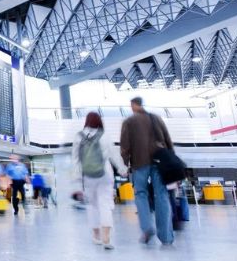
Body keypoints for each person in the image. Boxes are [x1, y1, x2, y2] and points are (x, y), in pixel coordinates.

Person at [121, 97, 174, 245]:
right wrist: (171, 160)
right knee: (162, 195)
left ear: (133, 105)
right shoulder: (156, 118)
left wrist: (125, 164)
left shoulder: (129, 122)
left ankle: (147, 227)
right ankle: (166, 237)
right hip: (159, 162)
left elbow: (125, 146)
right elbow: (168, 140)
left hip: (139, 163)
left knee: (140, 194)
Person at [73, 112, 127, 249]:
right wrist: (122, 169)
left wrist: (78, 179)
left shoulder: (78, 137)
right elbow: (114, 155)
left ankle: (96, 235)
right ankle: (106, 238)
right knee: (105, 204)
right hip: (105, 174)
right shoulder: (104, 135)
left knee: (92, 205)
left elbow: (76, 160)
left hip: (88, 176)